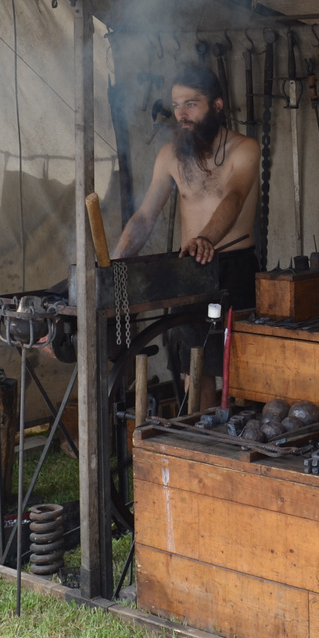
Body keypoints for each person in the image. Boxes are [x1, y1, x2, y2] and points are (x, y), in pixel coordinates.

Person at [114, 64, 261, 411]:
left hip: (234, 268)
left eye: (191, 104)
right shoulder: (170, 156)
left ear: (218, 105)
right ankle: (198, 443)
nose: (181, 113)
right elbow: (145, 217)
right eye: (177, 104)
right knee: (194, 371)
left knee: (244, 367)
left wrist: (205, 238)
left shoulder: (245, 149)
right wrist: (113, 264)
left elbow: (235, 198)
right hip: (190, 271)